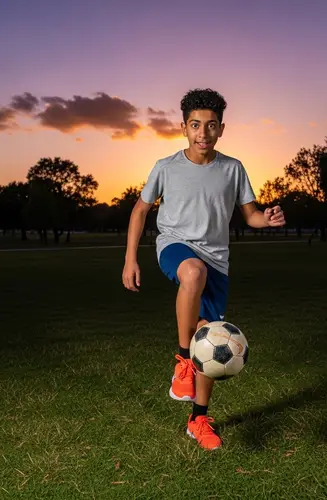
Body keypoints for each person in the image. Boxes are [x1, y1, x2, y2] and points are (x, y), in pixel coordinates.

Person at [122, 88, 285, 450]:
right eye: (195, 124)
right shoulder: (166, 167)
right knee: (192, 272)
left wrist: (267, 219)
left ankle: (198, 418)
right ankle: (182, 361)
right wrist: (130, 259)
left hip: (218, 261)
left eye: (211, 126)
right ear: (183, 127)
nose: (203, 133)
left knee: (209, 335)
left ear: (221, 129)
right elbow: (139, 211)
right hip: (176, 247)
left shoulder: (232, 169)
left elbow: (251, 215)